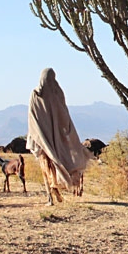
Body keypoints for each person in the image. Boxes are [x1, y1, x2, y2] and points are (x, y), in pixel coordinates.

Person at [25, 68, 93, 205]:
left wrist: (37, 134)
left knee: (46, 168)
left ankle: (51, 196)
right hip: (55, 137)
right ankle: (53, 193)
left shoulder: (36, 94)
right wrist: (66, 132)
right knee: (54, 164)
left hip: (41, 138)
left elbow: (32, 116)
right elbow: (63, 115)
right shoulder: (57, 92)